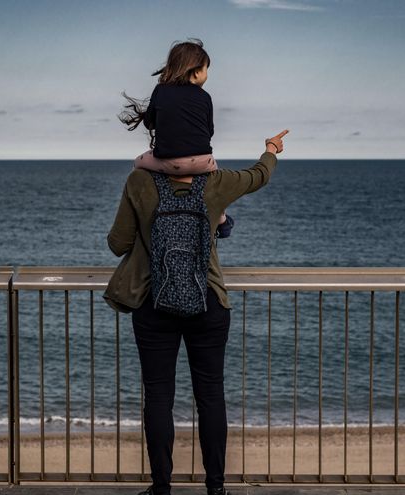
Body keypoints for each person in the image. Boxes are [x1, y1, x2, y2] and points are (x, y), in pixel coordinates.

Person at [104, 127, 290, 495]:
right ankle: (216, 488)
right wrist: (270, 149)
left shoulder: (139, 181)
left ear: (158, 146)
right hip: (207, 302)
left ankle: (161, 488)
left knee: (158, 396)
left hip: (153, 302)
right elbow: (260, 175)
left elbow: (117, 243)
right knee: (210, 395)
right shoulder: (217, 183)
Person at [119, 38, 235, 237]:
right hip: (202, 163)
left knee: (137, 164)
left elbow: (149, 123)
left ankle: (137, 213)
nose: (207, 74)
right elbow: (210, 131)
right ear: (197, 71)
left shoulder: (161, 91)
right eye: (207, 69)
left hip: (168, 163)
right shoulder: (205, 97)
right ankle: (222, 220)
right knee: (215, 183)